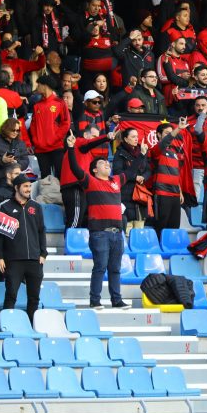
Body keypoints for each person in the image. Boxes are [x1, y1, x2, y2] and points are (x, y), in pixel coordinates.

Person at [66, 132, 131, 310]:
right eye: (103, 163)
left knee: (115, 269)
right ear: (95, 169)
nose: (107, 165)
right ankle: (95, 300)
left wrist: (141, 153)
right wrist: (71, 149)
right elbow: (75, 168)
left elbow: (132, 171)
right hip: (100, 233)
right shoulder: (91, 181)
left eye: (108, 163)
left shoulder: (116, 181)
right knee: (100, 267)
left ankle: (116, 300)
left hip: (118, 233)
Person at [0, 175, 47, 322]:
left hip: (34, 260)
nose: (28, 189)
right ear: (16, 188)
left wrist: (43, 253)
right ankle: (7, 324)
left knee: (34, 297)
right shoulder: (5, 206)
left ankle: (31, 325)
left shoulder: (36, 207)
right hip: (14, 260)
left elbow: (41, 230)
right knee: (11, 294)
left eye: (29, 186)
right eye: (25, 186)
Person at [30, 75, 71, 179]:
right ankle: (46, 196)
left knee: (61, 174)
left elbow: (66, 123)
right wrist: (36, 141)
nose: (37, 87)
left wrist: (55, 138)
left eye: (38, 85)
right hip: (40, 149)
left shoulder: (60, 103)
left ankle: (62, 195)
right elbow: (33, 125)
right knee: (45, 177)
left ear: (45, 86)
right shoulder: (37, 105)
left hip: (56, 147)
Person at [112, 127, 150, 236]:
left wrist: (143, 177)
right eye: (133, 137)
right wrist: (135, 177)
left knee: (139, 228)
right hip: (126, 193)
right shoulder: (119, 153)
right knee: (127, 229)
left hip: (140, 195)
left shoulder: (142, 151)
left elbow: (148, 169)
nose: (136, 139)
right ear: (126, 139)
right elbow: (118, 172)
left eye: (137, 136)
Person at [0, 118, 29, 195]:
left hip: (15, 179)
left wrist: (16, 163)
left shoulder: (20, 143)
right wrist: (2, 160)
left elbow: (26, 161)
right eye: (13, 130)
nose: (15, 132)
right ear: (6, 128)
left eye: (17, 130)